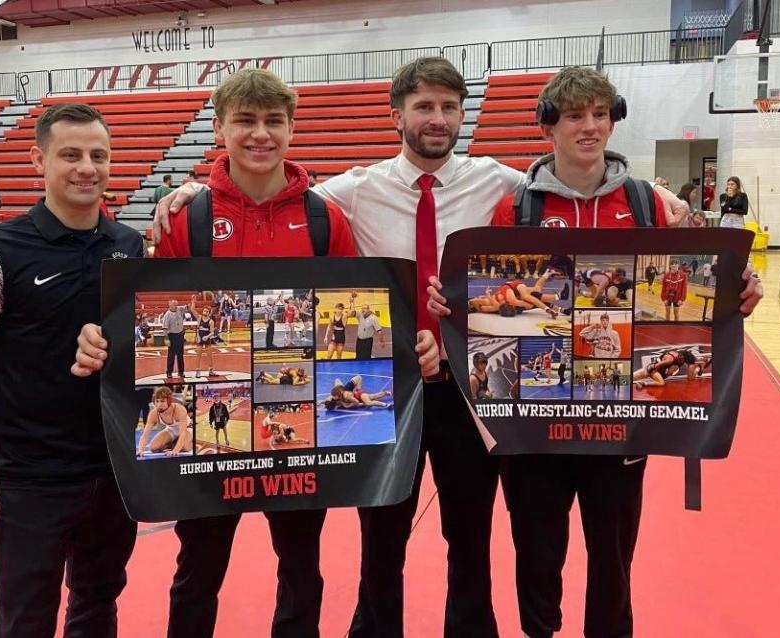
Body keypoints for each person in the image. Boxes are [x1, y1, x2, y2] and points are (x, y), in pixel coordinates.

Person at [153, 56, 692, 638]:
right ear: (396, 115)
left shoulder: (502, 185)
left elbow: (563, 177)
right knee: (381, 536)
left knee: (470, 536)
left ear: (463, 115)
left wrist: (663, 200)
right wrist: (188, 190)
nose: (437, 119)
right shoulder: (350, 194)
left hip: (468, 386)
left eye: (448, 107)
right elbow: (277, 184)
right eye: (423, 107)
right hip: (393, 389)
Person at [70, 68, 440, 638]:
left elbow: (349, 314)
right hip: (206, 439)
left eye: (274, 122)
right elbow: (147, 313)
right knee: (198, 567)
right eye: (245, 121)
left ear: (292, 129)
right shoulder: (186, 218)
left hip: (297, 432)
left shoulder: (325, 219)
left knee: (301, 568)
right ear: (219, 128)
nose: (260, 134)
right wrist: (106, 338)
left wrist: (405, 342)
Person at [428, 65, 763, 638]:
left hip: (621, 423)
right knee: (537, 556)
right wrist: (451, 298)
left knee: (613, 560)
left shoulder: (651, 204)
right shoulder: (516, 210)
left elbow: (696, 280)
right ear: (549, 129)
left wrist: (742, 287)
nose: (590, 127)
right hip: (536, 423)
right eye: (576, 116)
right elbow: (493, 296)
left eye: (601, 115)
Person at [0, 103, 142, 637]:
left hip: (114, 469)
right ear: (38, 160)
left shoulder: (130, 245)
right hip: (31, 477)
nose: (86, 168)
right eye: (70, 154)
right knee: (24, 618)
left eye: (99, 156)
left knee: (98, 605)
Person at [138, 386, 192, 456]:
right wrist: (140, 450)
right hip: (171, 429)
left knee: (184, 447)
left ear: (169, 401)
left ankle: (192, 441)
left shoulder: (179, 410)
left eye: (162, 401)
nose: (159, 405)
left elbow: (183, 433)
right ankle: (173, 443)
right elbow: (145, 435)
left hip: (187, 428)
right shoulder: (154, 413)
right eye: (157, 401)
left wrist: (175, 451)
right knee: (153, 448)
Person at [633, 349, 711, 387]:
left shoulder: (683, 357)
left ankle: (702, 364)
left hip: (659, 371)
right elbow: (655, 366)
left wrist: (701, 365)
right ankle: (643, 383)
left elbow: (691, 360)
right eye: (682, 361)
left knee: (691, 378)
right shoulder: (670, 360)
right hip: (652, 370)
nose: (683, 363)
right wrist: (656, 374)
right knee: (632, 377)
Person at [189, 295, 217, 378]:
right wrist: (193, 302)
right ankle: (197, 371)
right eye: (204, 311)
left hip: (207, 339)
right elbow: (192, 310)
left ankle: (211, 370)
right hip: (200, 339)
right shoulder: (199, 318)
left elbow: (212, 333)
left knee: (209, 355)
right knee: (198, 355)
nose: (205, 313)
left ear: (209, 313)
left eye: (206, 312)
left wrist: (207, 336)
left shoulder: (211, 321)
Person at [160, 298, 188, 379]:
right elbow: (165, 328)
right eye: (174, 305)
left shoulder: (179, 309)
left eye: (177, 304)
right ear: (170, 304)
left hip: (180, 335)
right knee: (171, 355)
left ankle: (181, 372)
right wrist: (166, 339)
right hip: (172, 336)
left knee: (180, 355)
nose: (176, 306)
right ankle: (169, 372)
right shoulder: (167, 315)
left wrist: (193, 301)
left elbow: (188, 307)